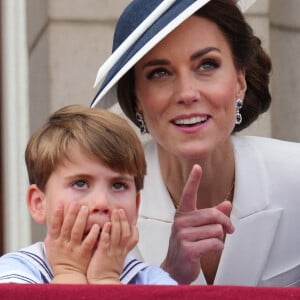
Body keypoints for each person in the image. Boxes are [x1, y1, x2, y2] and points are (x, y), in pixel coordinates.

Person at [91, 0, 300, 287]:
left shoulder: (295, 177)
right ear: (137, 98)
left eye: (207, 65)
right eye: (160, 73)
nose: (187, 93)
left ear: (240, 82)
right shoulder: (98, 202)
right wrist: (165, 279)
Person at [0, 105, 177, 285]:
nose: (101, 202)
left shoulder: (152, 281)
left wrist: (106, 279)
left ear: (136, 205)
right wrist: (69, 272)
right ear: (39, 203)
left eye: (118, 185)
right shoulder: (12, 273)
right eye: (80, 183)